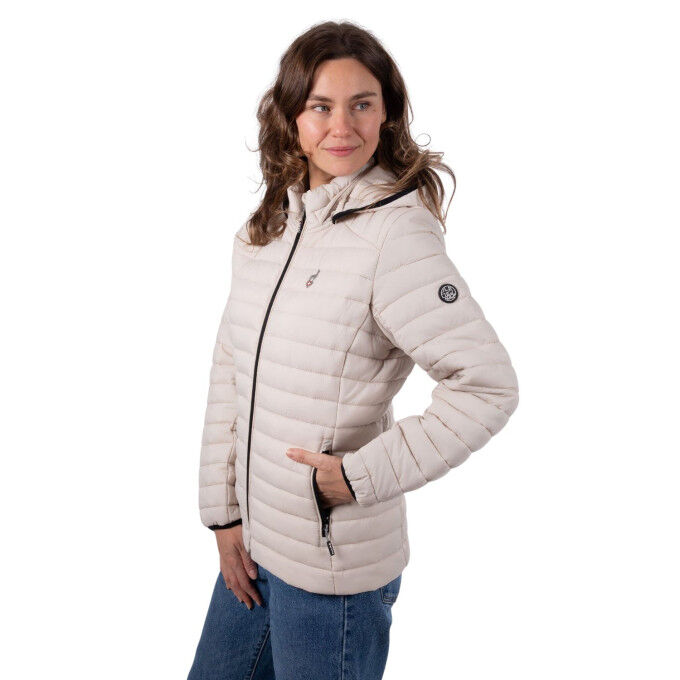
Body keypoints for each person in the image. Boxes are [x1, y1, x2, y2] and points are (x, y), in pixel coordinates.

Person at [187, 20, 519, 680]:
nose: (342, 126)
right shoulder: (266, 230)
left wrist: (355, 477)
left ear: (386, 113)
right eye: (321, 106)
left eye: (361, 104)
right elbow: (230, 371)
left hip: (333, 573)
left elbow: (486, 386)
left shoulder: (396, 235)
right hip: (255, 546)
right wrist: (223, 517)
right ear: (291, 117)